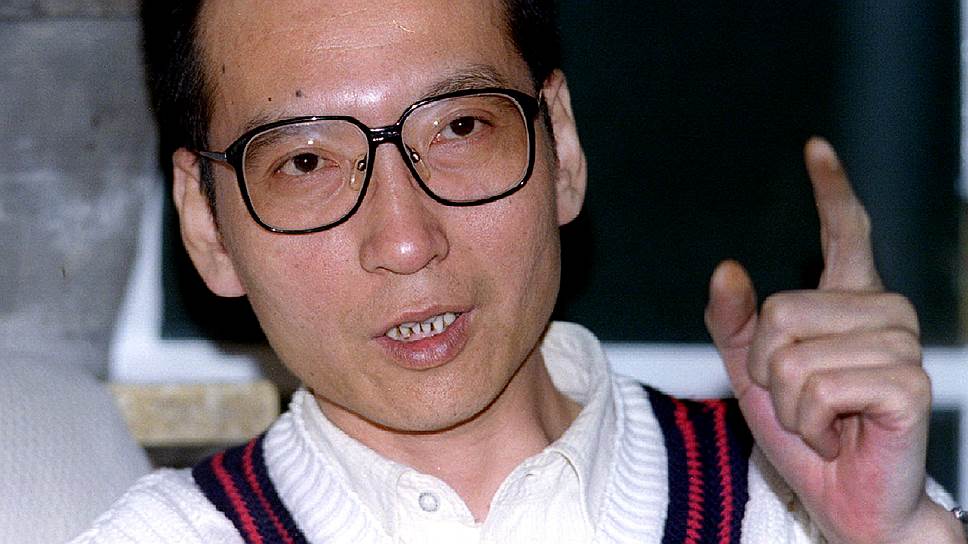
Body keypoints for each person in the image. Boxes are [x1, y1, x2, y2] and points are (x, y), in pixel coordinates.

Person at [75, 1, 965, 542]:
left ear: (561, 146)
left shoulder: (802, 506)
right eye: (306, 162)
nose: (406, 241)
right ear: (209, 226)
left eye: (460, 129)